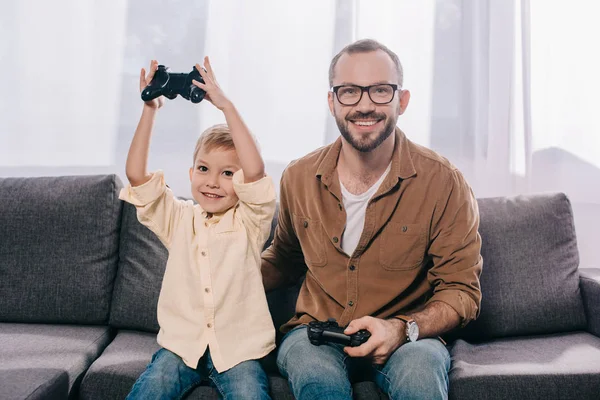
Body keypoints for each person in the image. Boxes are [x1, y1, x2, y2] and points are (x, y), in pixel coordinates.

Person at [261, 39, 483, 400]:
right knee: (315, 377)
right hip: (316, 332)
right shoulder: (298, 177)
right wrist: (223, 272)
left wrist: (402, 329)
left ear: (402, 100)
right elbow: (284, 260)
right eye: (349, 91)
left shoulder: (444, 182)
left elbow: (462, 293)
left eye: (380, 91)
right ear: (332, 101)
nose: (364, 105)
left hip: (409, 338)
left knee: (420, 377)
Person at [121, 57, 275, 400]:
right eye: (204, 169)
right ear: (190, 174)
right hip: (181, 348)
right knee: (151, 389)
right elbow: (136, 175)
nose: (213, 183)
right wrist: (150, 109)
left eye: (228, 173)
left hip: (238, 352)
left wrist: (225, 105)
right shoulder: (179, 219)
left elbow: (255, 170)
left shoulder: (250, 221)